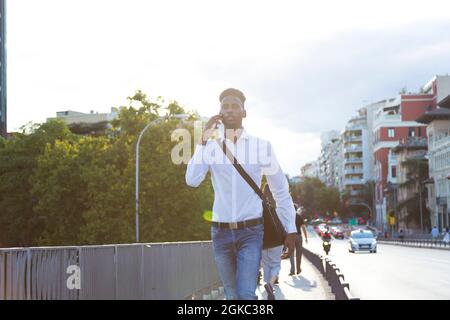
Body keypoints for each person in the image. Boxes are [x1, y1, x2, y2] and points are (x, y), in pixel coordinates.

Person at [185, 88, 297, 300]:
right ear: (219, 113)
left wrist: (290, 229)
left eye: (234, 106)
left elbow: (280, 190)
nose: (229, 110)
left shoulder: (261, 146)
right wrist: (202, 140)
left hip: (251, 232)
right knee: (232, 295)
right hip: (221, 233)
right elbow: (192, 180)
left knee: (246, 295)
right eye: (225, 106)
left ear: (244, 112)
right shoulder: (210, 148)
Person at [289, 207, 308, 276]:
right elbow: (303, 227)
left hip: (291, 236)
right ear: (296, 209)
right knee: (299, 253)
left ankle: (292, 270)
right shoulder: (299, 217)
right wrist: (306, 237)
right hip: (298, 236)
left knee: (291, 253)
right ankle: (298, 269)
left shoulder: (288, 216)